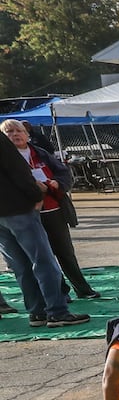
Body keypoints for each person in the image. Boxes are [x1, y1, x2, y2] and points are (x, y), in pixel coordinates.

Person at [3, 119, 102, 301]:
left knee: (65, 252)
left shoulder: (40, 153)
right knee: (42, 257)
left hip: (53, 210)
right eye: (9, 132)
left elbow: (63, 172)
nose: (15, 134)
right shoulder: (6, 158)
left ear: (27, 134)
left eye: (19, 131)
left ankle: (83, 288)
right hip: (26, 215)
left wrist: (57, 184)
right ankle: (59, 293)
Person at [0, 129, 88, 328]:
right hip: (18, 209)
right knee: (44, 262)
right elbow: (18, 170)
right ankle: (57, 311)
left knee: (20, 266)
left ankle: (37, 312)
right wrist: (36, 196)